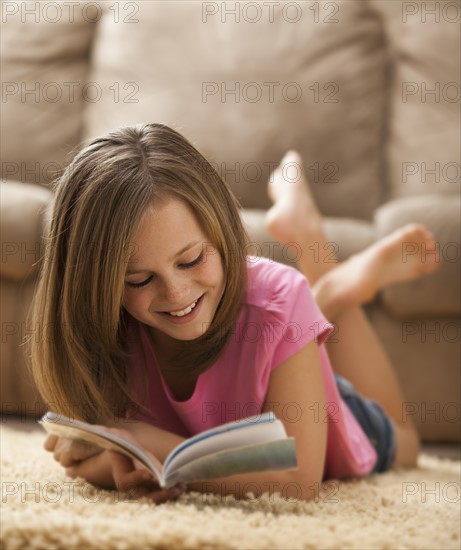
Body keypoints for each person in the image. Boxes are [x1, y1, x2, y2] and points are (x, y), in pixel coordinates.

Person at [31, 123, 440, 504]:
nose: (176, 294)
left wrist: (140, 441)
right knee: (280, 318)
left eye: (191, 260)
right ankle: (318, 299)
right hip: (271, 340)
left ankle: (318, 255)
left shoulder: (280, 297)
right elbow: (83, 461)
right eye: (139, 280)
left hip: (312, 396)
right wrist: (120, 459)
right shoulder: (104, 325)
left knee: (404, 443)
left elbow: (297, 482)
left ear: (223, 233)